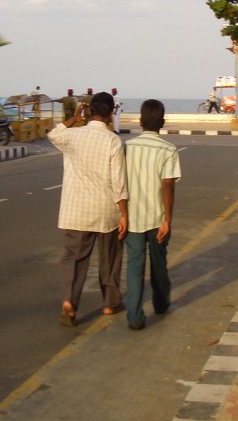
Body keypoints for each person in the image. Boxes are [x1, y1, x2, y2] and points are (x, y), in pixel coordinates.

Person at [48, 91, 128, 326]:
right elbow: (119, 183)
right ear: (111, 114)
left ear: (90, 111)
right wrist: (124, 213)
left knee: (74, 258)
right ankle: (111, 303)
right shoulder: (113, 140)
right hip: (105, 212)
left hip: (76, 211)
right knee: (110, 258)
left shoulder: (72, 136)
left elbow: (53, 134)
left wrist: (75, 117)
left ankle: (69, 302)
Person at [124, 100, 181, 330]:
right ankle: (160, 302)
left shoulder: (127, 147)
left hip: (132, 218)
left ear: (140, 121)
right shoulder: (168, 150)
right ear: (163, 123)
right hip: (158, 219)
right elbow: (167, 185)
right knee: (159, 264)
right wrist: (168, 219)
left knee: (134, 266)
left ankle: (134, 317)